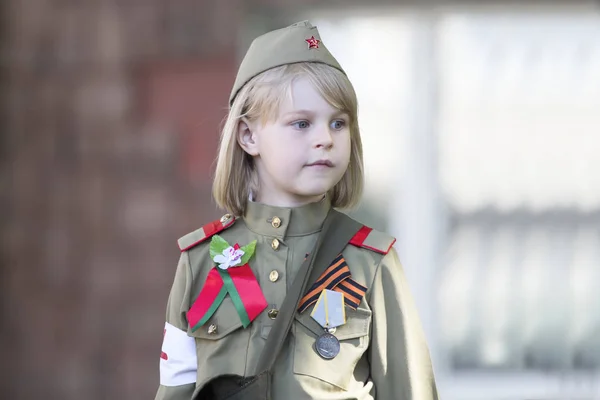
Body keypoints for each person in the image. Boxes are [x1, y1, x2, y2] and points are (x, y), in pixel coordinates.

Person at [155, 20, 438, 400]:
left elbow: (412, 393)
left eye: (338, 123)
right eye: (302, 123)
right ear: (249, 136)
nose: (325, 139)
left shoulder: (371, 262)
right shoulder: (202, 262)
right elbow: (174, 391)